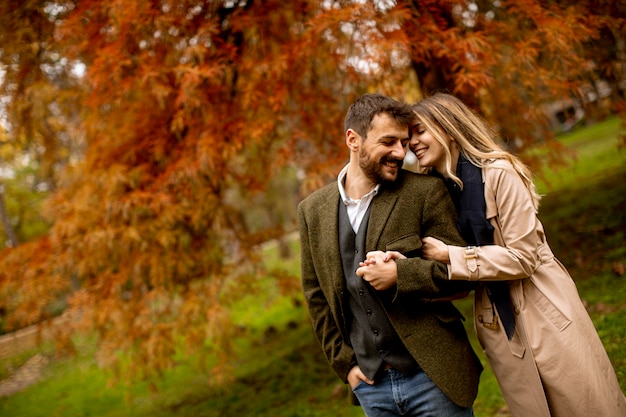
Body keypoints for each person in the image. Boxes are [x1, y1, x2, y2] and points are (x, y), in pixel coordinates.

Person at [362, 92, 626, 416]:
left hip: (543, 307)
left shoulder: (499, 172)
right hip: (498, 323)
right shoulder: (440, 191)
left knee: (584, 404)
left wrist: (452, 256)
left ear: (447, 127)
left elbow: (523, 258)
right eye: (407, 137)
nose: (411, 144)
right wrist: (406, 269)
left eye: (420, 131)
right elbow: (459, 279)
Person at [297, 93, 482, 417]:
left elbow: (461, 275)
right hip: (372, 386)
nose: (400, 152)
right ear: (353, 140)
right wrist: (346, 367)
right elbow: (316, 296)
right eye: (388, 142)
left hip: (434, 377)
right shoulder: (312, 211)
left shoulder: (424, 193)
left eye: (403, 141)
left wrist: (402, 275)